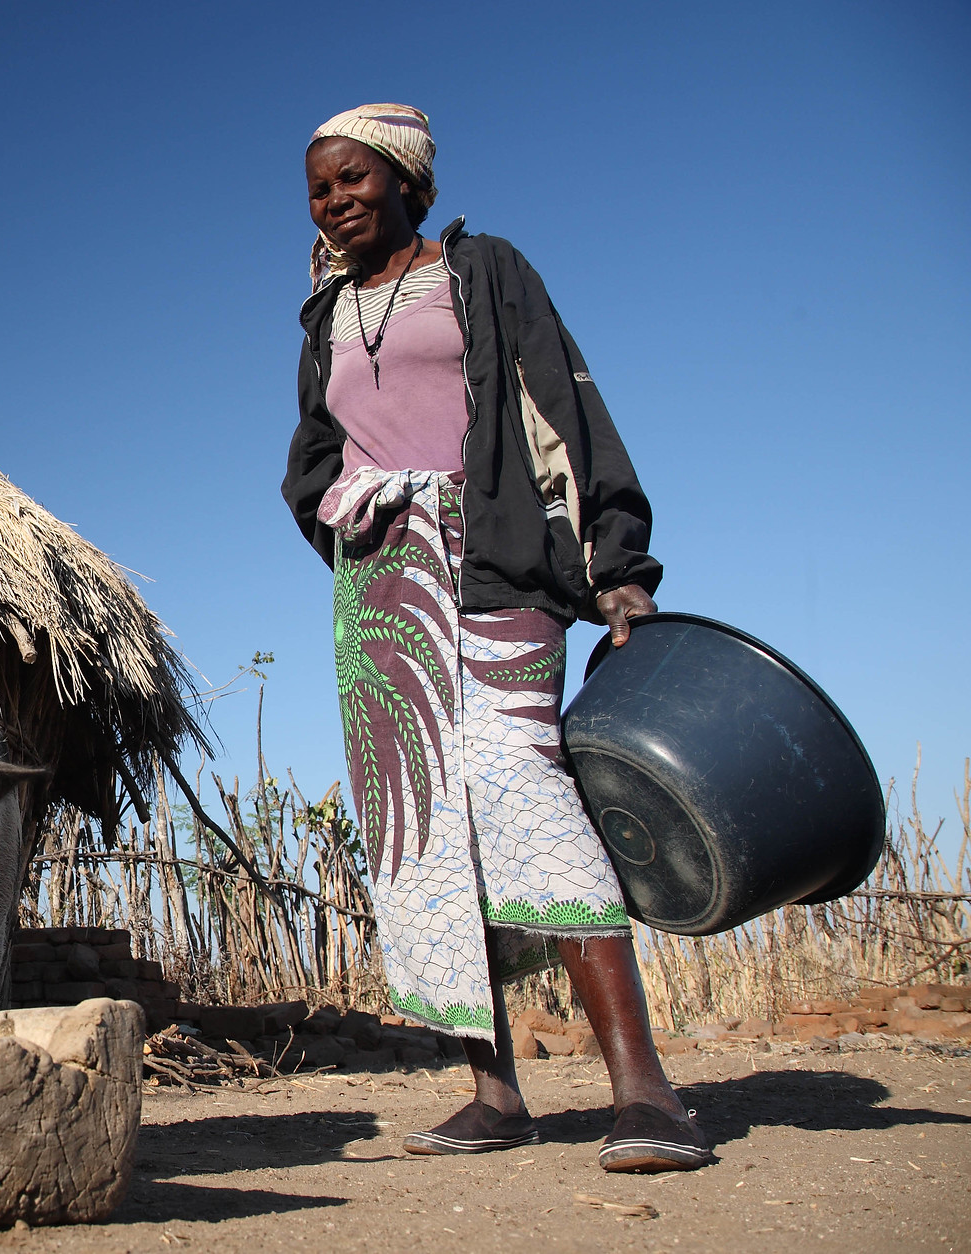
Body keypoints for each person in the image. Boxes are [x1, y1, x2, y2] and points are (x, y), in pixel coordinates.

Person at [282, 103, 710, 1172]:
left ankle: (644, 1092)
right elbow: (310, 458)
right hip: (380, 588)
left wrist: (617, 567)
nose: (332, 201)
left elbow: (561, 405)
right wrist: (344, 505)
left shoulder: (482, 269)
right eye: (316, 188)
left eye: (351, 180)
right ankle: (491, 1090)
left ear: (406, 183)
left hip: (495, 558)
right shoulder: (321, 315)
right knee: (419, 831)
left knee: (522, 788)